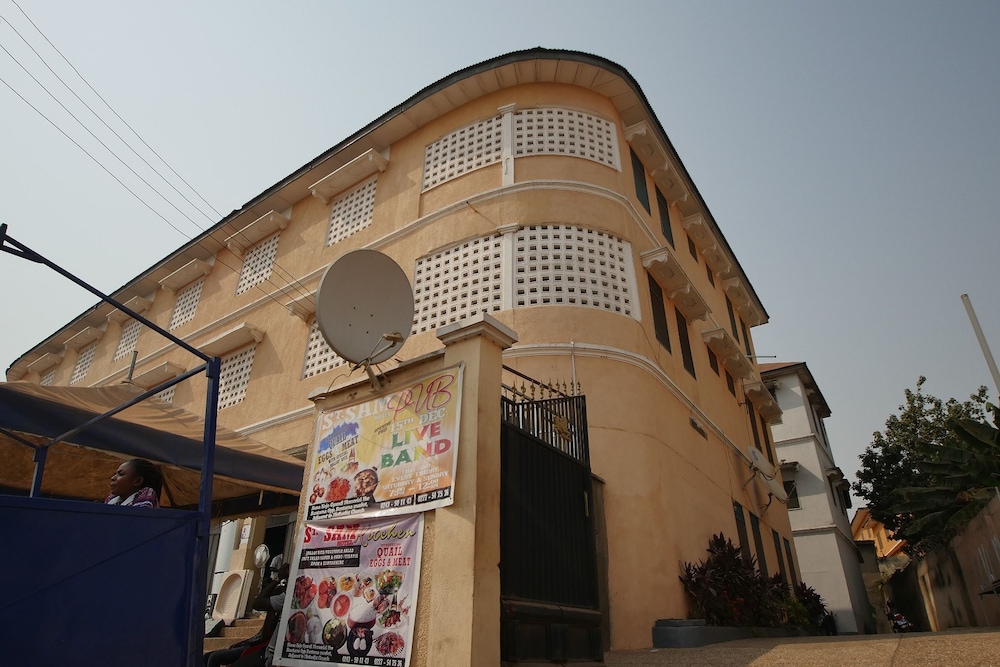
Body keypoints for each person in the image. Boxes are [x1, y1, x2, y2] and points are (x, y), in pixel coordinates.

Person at [203, 562, 289, 667]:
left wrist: (277, 580)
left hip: (264, 651)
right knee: (207, 657)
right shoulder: (280, 598)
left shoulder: (286, 599)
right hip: (256, 644)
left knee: (214, 658)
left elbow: (257, 603)